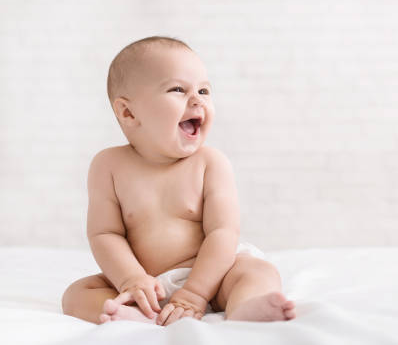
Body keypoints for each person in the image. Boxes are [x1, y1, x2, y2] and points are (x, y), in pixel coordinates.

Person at [61, 36, 296, 326]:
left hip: (211, 275)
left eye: (204, 90)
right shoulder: (108, 166)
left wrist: (195, 293)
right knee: (76, 294)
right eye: (178, 89)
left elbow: (223, 233)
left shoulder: (210, 164)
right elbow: (105, 234)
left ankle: (245, 308)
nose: (196, 99)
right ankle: (135, 316)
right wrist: (131, 279)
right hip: (146, 284)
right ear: (128, 112)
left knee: (259, 272)